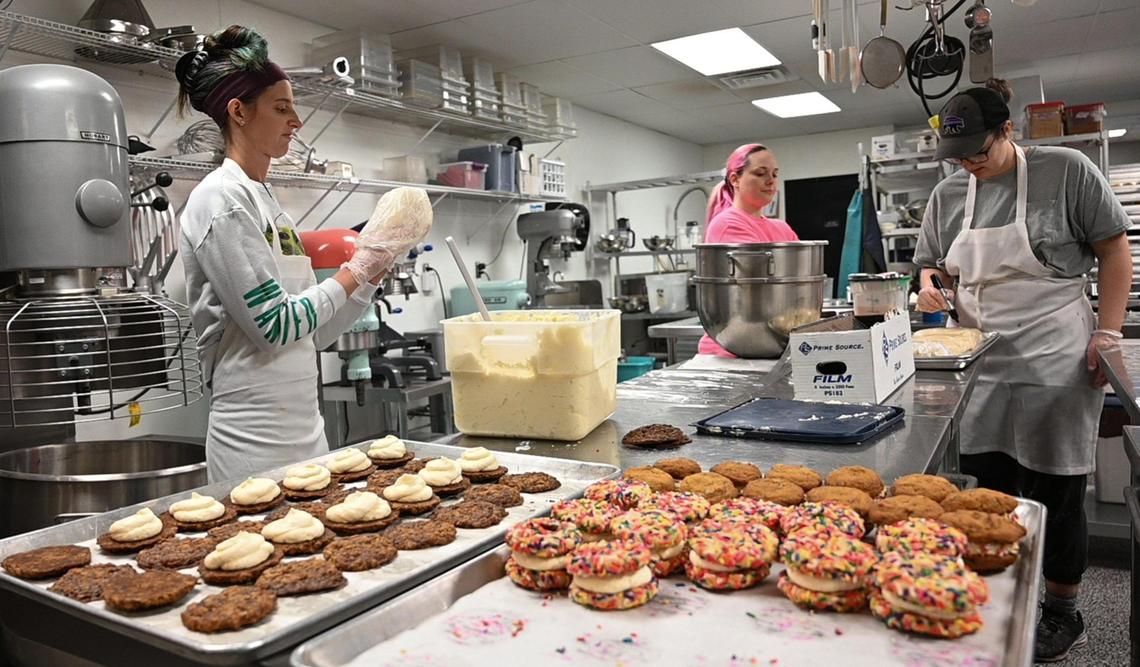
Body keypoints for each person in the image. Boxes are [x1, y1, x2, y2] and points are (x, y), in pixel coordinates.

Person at [913, 78, 1132, 662]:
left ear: (1007, 131)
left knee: (1054, 486)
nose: (970, 166)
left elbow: (1114, 249)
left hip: (1052, 350)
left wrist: (1108, 332)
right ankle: (999, 595)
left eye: (979, 153)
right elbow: (931, 265)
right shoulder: (948, 194)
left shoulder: (1066, 170)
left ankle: (1062, 610)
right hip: (978, 357)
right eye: (958, 158)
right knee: (986, 486)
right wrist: (931, 286)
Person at [175, 27, 421, 482]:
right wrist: (353, 272)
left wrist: (369, 279)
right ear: (238, 112)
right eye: (282, 107)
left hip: (307, 433)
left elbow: (314, 334)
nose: (296, 121)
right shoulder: (221, 200)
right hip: (251, 440)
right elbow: (275, 326)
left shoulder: (272, 207)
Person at [698, 143, 799, 358]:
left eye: (774, 174)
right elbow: (761, 295)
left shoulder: (781, 228)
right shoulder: (728, 224)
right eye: (760, 173)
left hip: (769, 344)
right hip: (733, 352)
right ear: (735, 179)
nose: (770, 181)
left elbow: (799, 286)